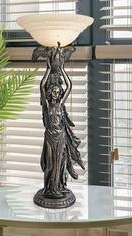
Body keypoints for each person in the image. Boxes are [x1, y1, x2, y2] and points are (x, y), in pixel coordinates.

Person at [39, 47, 85, 199]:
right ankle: (49, 189)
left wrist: (63, 69)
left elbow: (69, 86)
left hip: (60, 137)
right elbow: (41, 86)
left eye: (58, 92)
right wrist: (48, 68)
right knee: (50, 164)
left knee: (59, 163)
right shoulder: (46, 105)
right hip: (50, 138)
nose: (56, 93)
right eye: (53, 91)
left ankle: (57, 188)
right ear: (49, 93)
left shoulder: (60, 105)